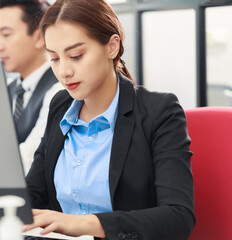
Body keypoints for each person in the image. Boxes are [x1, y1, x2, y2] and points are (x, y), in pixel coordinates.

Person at [24, 0, 195, 239]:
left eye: (76, 55)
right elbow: (33, 194)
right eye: (54, 58)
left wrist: (87, 224)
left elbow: (178, 217)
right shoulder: (60, 105)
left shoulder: (160, 112)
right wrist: (3, 216)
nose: (64, 71)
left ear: (112, 47)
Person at [0, 0, 63, 174]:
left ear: (39, 37)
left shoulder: (60, 88)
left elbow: (28, 160)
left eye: (6, 34)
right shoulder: (10, 89)